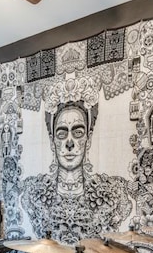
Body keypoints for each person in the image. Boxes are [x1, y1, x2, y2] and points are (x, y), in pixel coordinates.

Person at [20, 100, 132, 244]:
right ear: (52, 140)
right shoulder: (35, 192)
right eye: (61, 134)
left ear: (89, 138)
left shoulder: (111, 192)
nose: (69, 143)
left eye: (78, 133)